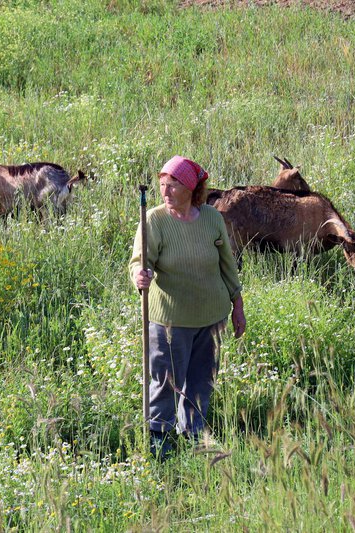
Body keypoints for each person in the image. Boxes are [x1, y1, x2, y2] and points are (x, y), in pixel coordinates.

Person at [129, 155, 246, 459]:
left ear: (191, 188)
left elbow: (227, 265)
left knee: (201, 382)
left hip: (211, 317)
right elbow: (139, 262)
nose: (165, 191)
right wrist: (139, 275)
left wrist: (237, 304)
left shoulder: (211, 218)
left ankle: (193, 436)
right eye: (162, 185)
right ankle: (159, 441)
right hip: (170, 320)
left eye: (173, 185)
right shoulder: (154, 220)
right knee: (166, 383)